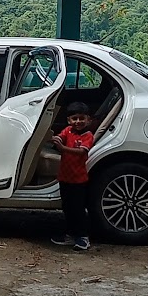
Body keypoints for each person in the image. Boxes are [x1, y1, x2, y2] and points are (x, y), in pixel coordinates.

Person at [51, 102, 96, 251]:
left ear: (88, 120)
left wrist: (63, 148)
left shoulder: (88, 136)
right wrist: (56, 139)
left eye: (81, 118)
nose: (78, 122)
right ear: (69, 120)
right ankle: (71, 235)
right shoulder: (68, 131)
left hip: (78, 180)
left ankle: (83, 238)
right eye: (74, 118)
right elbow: (60, 136)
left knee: (78, 210)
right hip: (64, 178)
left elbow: (82, 152)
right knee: (67, 208)